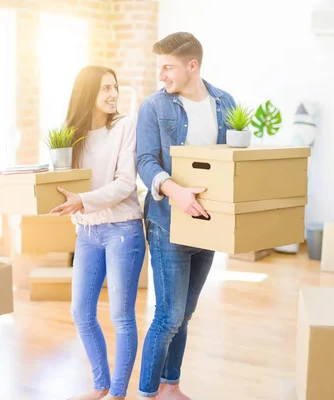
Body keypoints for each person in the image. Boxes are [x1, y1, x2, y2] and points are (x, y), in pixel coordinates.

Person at [135, 32, 237, 399]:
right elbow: (144, 160)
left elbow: (229, 162)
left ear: (192, 65)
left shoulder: (225, 103)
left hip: (207, 224)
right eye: (159, 67)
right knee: (168, 317)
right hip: (167, 221)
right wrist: (174, 190)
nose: (161, 75)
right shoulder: (154, 107)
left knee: (186, 313)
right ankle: (147, 392)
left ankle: (170, 385)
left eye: (168, 67)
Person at [51, 65, 146, 400]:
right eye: (105, 88)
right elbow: (62, 180)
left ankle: (118, 393)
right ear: (86, 93)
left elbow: (124, 184)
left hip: (123, 230)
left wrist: (82, 201)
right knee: (81, 311)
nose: (112, 94)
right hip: (88, 232)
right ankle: (100, 385)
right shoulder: (70, 135)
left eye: (114, 87)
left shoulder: (124, 127)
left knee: (121, 315)